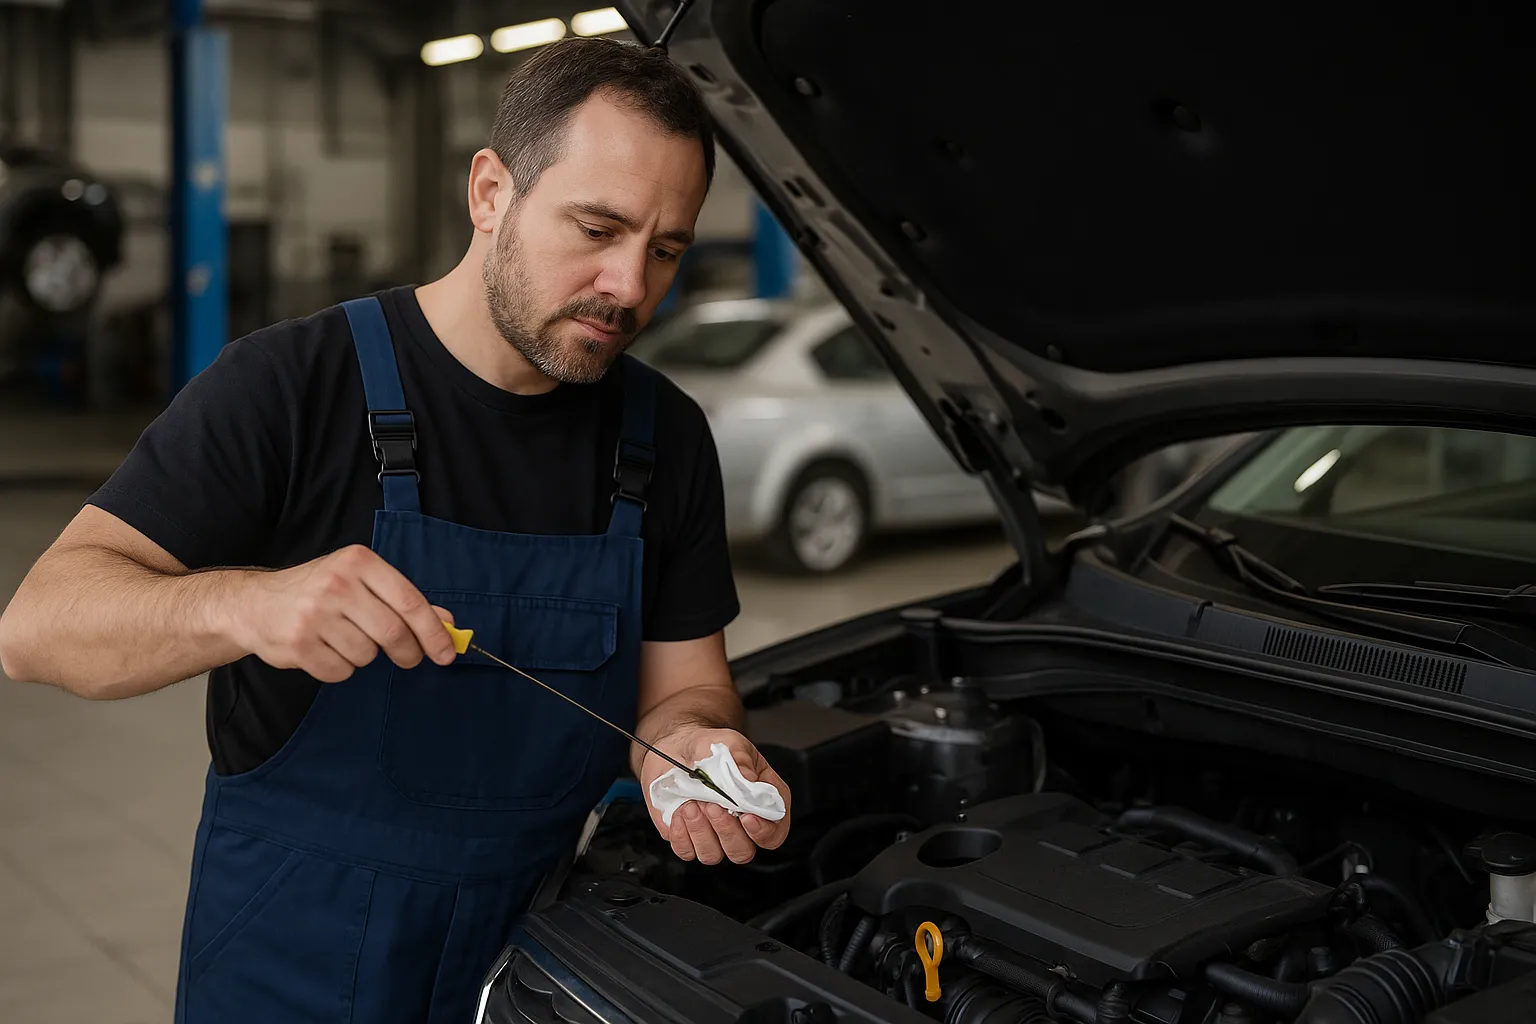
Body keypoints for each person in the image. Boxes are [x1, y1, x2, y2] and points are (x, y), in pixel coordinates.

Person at [0, 37, 792, 1024]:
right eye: (598, 227)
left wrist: (695, 747)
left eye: (666, 247)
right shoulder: (289, 387)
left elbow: (687, 686)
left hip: (539, 969)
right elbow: (37, 626)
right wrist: (247, 600)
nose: (630, 286)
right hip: (294, 972)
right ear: (491, 192)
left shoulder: (666, 437)